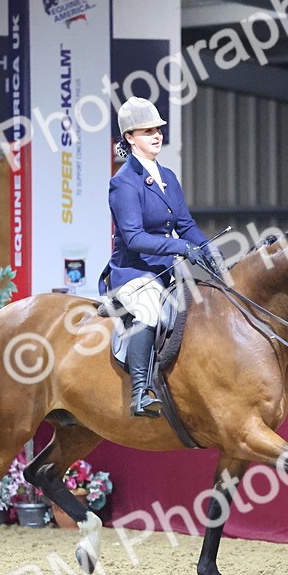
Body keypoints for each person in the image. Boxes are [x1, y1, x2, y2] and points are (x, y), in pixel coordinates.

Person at [99, 96, 212, 418]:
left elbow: (185, 225)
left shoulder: (168, 176)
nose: (156, 135)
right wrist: (180, 248)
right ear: (130, 138)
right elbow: (133, 238)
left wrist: (208, 251)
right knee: (148, 311)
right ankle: (140, 393)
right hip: (132, 274)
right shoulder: (123, 183)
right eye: (146, 130)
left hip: (166, 273)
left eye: (158, 129)